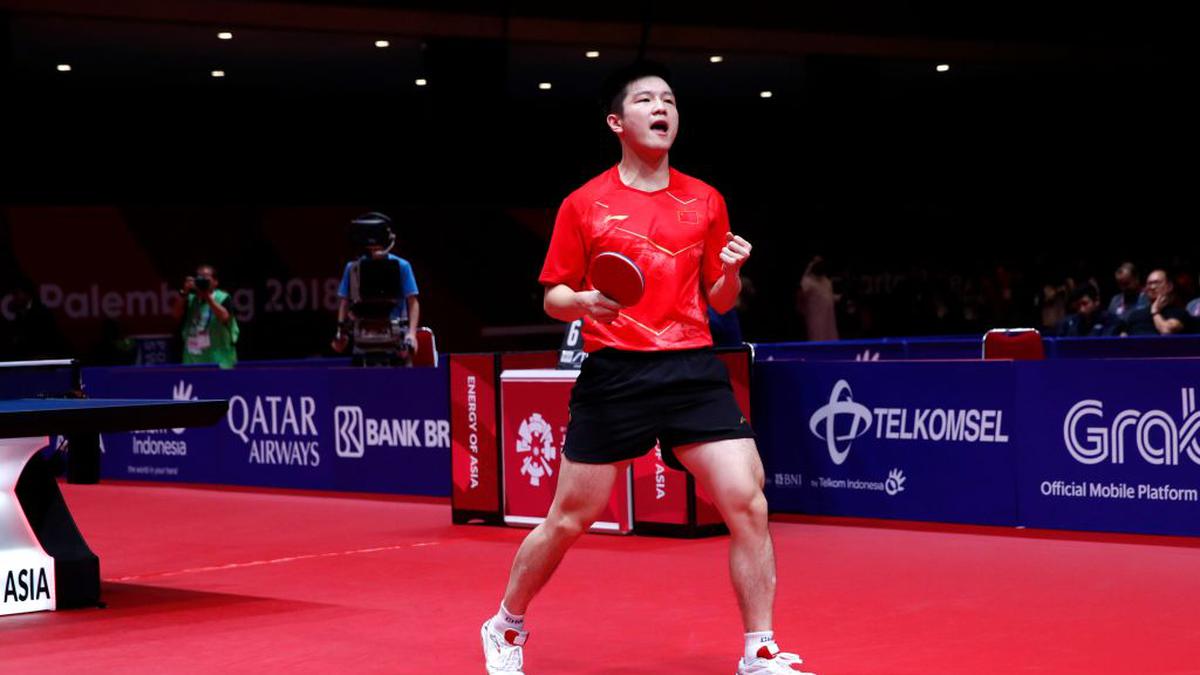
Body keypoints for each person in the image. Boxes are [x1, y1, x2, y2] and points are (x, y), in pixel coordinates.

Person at [480, 61, 813, 675]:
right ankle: (506, 622)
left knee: (748, 500)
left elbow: (719, 300)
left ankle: (759, 648)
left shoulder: (705, 198)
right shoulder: (584, 204)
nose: (662, 108)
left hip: (692, 367)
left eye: (669, 100)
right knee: (570, 517)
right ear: (617, 121)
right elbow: (553, 294)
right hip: (617, 374)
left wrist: (733, 271)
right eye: (646, 100)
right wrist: (580, 302)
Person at [332, 212, 420, 364]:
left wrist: (411, 334)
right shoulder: (353, 268)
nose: (375, 251)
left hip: (394, 336)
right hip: (363, 336)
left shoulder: (402, 266)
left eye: (377, 247)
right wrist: (341, 332)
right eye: (372, 248)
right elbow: (344, 301)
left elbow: (413, 301)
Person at [173, 264, 238, 368]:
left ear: (216, 282)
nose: (202, 279)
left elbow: (224, 317)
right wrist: (184, 292)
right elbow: (175, 314)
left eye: (206, 276)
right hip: (192, 359)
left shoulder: (223, 298)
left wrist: (207, 296)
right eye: (199, 277)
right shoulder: (190, 299)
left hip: (219, 360)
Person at [1121, 269, 1192, 335]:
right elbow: (1123, 338)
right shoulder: (1135, 315)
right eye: (1149, 284)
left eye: (1157, 283)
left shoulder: (1179, 313)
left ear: (1169, 286)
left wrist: (1155, 311)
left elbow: (1166, 331)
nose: (1152, 287)